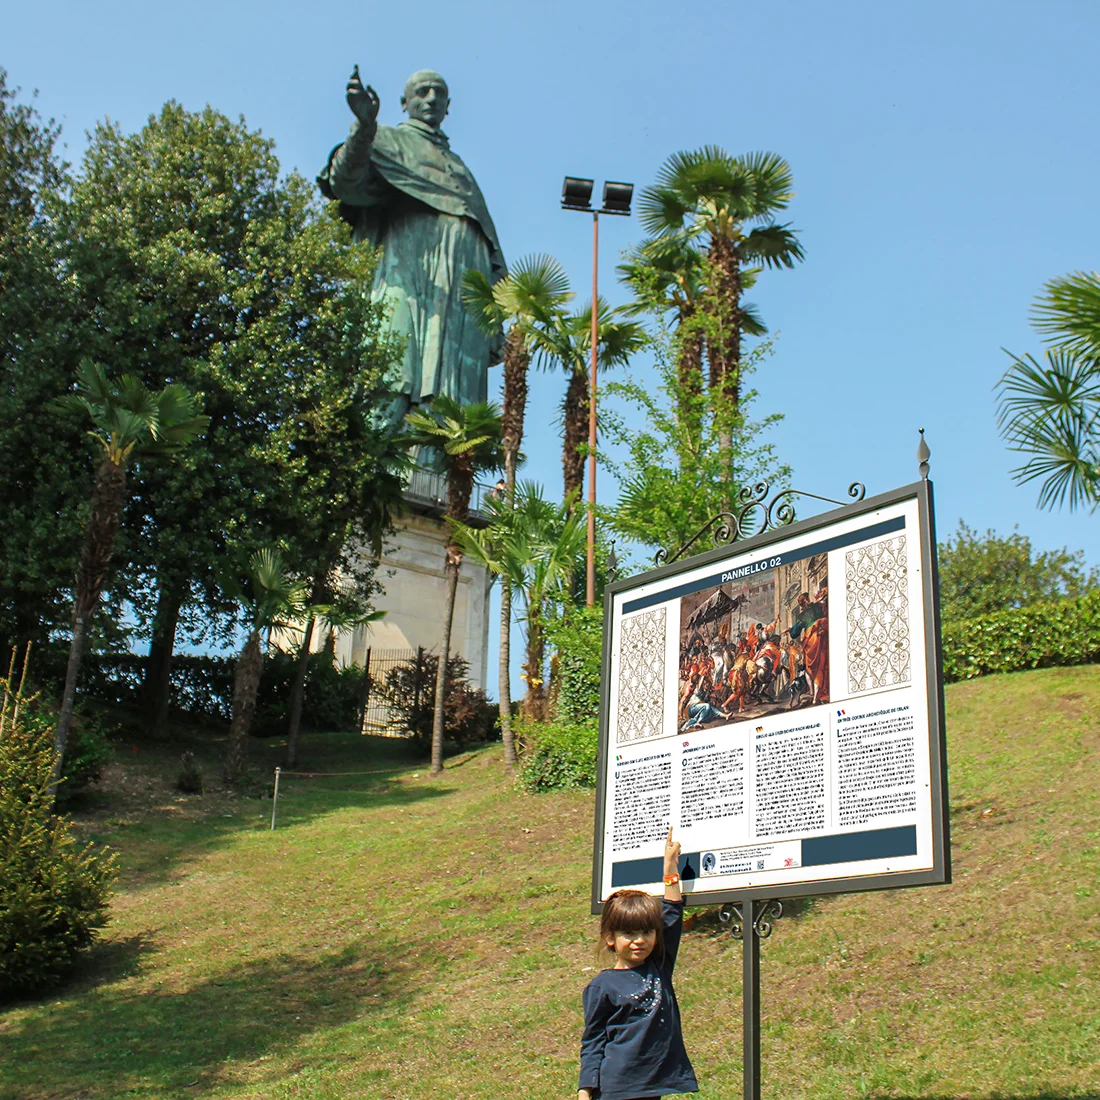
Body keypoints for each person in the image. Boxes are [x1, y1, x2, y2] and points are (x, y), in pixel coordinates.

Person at [318, 67, 507, 419]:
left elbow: (489, 243)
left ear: (449, 106)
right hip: (407, 272)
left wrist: (493, 314)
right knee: (391, 377)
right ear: (404, 103)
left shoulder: (460, 167)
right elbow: (344, 180)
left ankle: (440, 468)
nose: (431, 98)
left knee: (453, 407)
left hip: (461, 292)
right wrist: (364, 127)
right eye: (422, 92)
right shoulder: (387, 140)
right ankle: (381, 469)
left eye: (439, 92)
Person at [578, 828, 698, 1100]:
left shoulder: (659, 967)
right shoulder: (602, 985)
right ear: (610, 938)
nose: (639, 941)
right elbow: (593, 1039)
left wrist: (669, 868)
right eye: (628, 934)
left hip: (652, 1086)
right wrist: (585, 1090)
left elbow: (671, 914)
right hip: (615, 1089)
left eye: (646, 933)